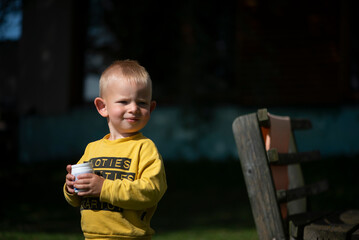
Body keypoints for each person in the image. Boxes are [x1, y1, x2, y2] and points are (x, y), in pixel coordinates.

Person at [64, 60, 167, 240]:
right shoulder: (92, 149)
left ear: (150, 109)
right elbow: (77, 198)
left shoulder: (144, 147)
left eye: (142, 103)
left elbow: (152, 191)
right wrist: (71, 188)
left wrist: (104, 187)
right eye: (124, 101)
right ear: (103, 107)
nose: (133, 108)